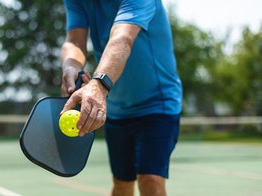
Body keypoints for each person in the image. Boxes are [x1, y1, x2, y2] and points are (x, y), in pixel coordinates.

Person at [60, 0, 182, 195]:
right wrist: (70, 67)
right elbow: (74, 41)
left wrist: (99, 85)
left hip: (157, 103)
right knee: (121, 182)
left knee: (150, 180)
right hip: (117, 108)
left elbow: (122, 37)